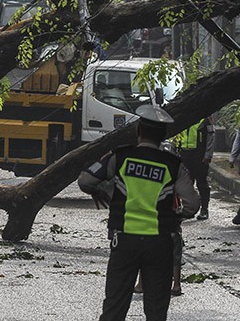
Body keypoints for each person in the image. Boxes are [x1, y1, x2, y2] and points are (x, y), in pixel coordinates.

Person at [78, 104, 199, 321]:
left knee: (114, 307)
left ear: (138, 130)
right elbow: (193, 205)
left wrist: (98, 192)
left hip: (124, 241)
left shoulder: (120, 156)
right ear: (163, 135)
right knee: (156, 311)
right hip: (159, 243)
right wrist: (176, 217)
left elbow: (85, 180)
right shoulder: (174, 165)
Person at [178, 115, 215, 220]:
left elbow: (211, 138)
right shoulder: (184, 119)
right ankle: (188, 209)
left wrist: (208, 155)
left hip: (199, 156)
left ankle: (204, 209)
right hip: (185, 155)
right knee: (186, 184)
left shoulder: (205, 121)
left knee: (202, 183)